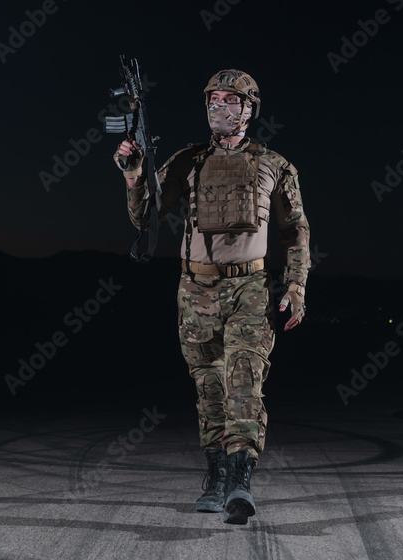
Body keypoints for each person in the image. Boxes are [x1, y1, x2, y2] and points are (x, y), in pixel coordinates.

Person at [113, 69, 311, 524]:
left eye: (230, 100)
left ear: (249, 108)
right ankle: (217, 477)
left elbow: (295, 231)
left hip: (251, 290)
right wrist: (133, 173)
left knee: (243, 381)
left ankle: (241, 479)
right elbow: (145, 218)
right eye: (214, 99)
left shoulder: (275, 165)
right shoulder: (188, 161)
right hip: (195, 290)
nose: (220, 106)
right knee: (208, 388)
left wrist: (297, 286)